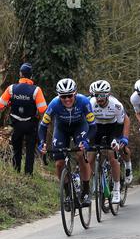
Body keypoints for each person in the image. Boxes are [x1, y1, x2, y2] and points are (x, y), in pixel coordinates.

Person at [38, 79, 97, 207]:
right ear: (59, 96)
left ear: (75, 93)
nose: (67, 99)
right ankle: (68, 195)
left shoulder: (84, 102)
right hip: (61, 129)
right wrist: (42, 142)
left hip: (79, 127)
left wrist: (86, 140)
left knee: (81, 155)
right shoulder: (54, 104)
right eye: (63, 96)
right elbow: (43, 126)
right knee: (59, 163)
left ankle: (86, 191)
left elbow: (93, 126)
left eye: (69, 95)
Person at [0, 63, 48, 175]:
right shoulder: (36, 90)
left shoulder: (11, 88)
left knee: (17, 149)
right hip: (31, 124)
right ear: (31, 76)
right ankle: (28, 174)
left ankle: (16, 172)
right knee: (30, 150)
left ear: (20, 74)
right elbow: (42, 109)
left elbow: (1, 105)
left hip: (16, 124)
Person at [88, 80, 131, 204]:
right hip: (97, 128)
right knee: (90, 157)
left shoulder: (116, 105)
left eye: (102, 95)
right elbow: (86, 124)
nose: (99, 98)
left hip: (113, 128)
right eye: (96, 95)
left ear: (108, 95)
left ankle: (117, 189)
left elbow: (120, 125)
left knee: (112, 156)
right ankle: (95, 180)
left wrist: (118, 140)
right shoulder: (90, 104)